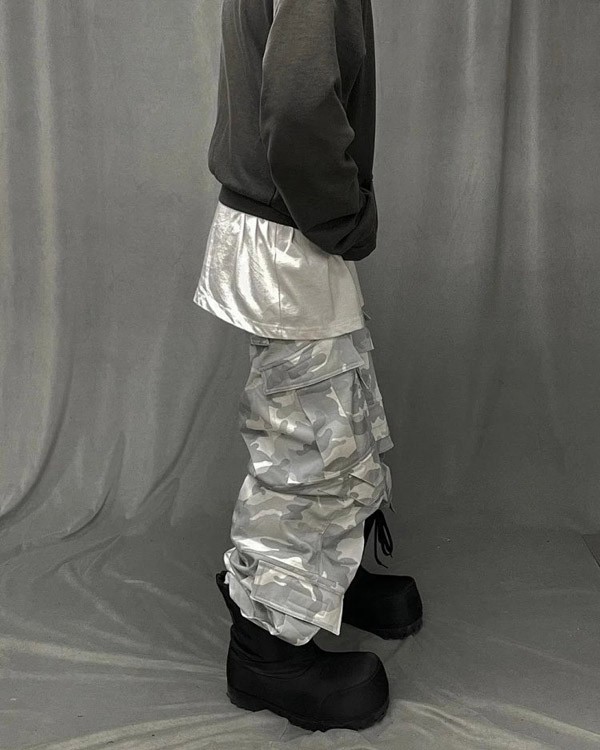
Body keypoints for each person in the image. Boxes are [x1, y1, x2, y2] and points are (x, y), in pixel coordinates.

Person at [193, 0, 423, 732]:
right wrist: (344, 215)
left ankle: (328, 580)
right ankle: (266, 651)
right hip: (291, 224)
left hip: (283, 219)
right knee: (307, 451)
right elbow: (296, 108)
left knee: (338, 417)